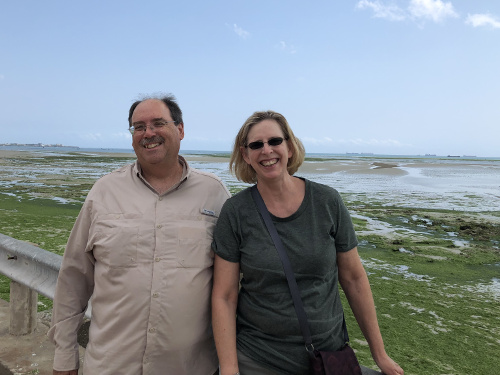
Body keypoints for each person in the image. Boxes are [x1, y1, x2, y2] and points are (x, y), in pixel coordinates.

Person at [48, 94, 230, 375]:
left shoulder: (214, 193)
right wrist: (64, 355)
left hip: (190, 367)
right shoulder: (104, 192)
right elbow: (74, 278)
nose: (149, 133)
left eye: (159, 123)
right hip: (111, 366)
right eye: (139, 127)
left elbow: (231, 284)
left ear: (180, 130)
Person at [211, 110, 404, 375]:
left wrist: (379, 355)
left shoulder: (327, 201)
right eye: (256, 145)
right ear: (245, 155)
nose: (266, 150)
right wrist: (230, 369)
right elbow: (224, 295)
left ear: (290, 147)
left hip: (328, 357)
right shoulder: (235, 212)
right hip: (260, 358)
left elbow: (354, 278)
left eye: (275, 141)